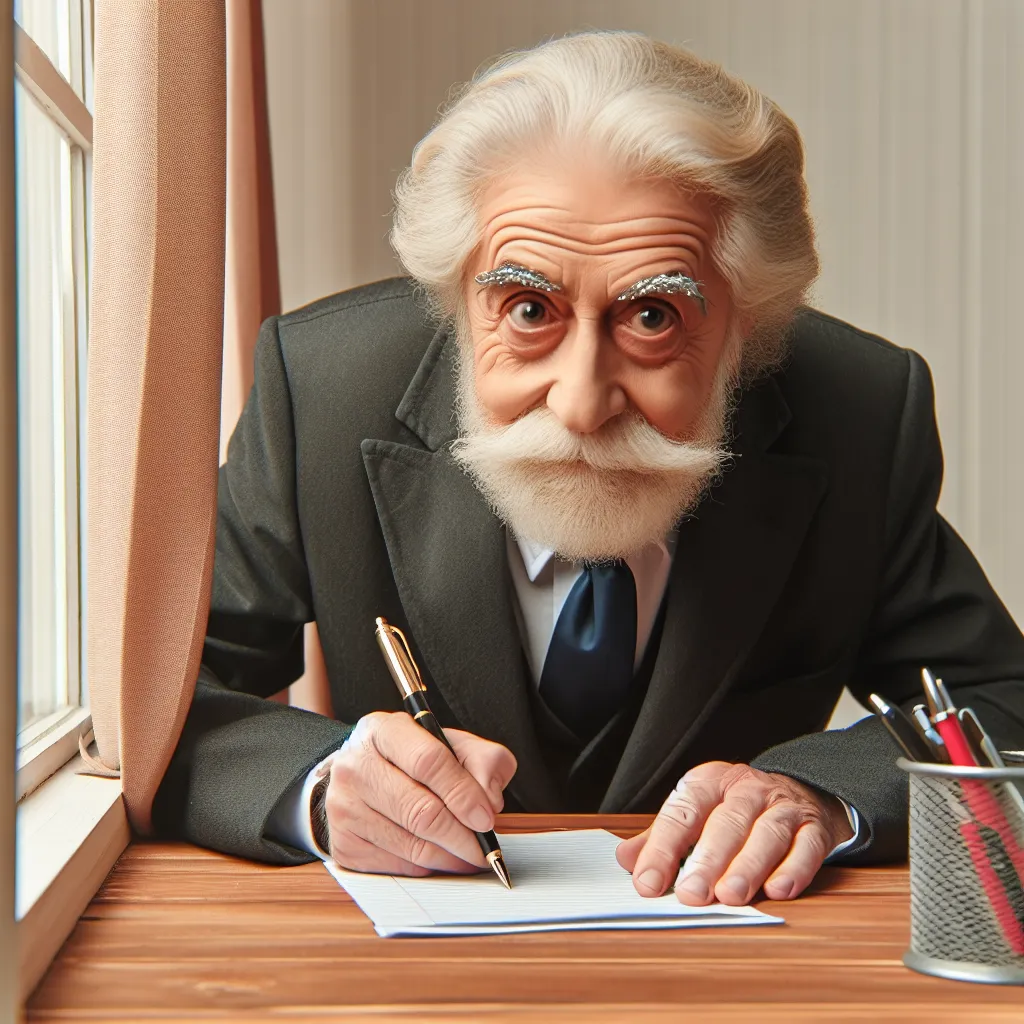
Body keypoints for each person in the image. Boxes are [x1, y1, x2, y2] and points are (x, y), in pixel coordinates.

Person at [154, 31, 1024, 909]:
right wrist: (320, 785)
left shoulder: (860, 412)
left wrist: (822, 795)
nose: (580, 402)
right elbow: (166, 697)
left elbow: (1002, 704)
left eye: (652, 317)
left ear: (748, 330)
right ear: (458, 299)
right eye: (528, 307)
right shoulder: (323, 389)